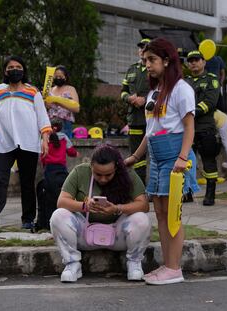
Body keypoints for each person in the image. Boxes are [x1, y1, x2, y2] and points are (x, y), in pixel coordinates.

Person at [125, 38, 199, 285]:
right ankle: (167, 264)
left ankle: (174, 268)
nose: (147, 65)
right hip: (155, 157)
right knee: (159, 213)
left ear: (167, 61)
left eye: (152, 60)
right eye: (145, 60)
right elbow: (151, 130)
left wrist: (182, 158)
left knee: (172, 215)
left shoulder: (181, 89)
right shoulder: (154, 92)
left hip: (173, 157)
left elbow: (189, 128)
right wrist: (136, 156)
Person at [50, 143, 150, 283]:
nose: (103, 179)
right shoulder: (80, 172)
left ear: (116, 168)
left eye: (108, 175)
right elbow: (62, 202)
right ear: (91, 166)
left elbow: (144, 205)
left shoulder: (128, 174)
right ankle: (72, 264)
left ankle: (134, 263)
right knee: (58, 215)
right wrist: (85, 206)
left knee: (141, 218)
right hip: (85, 232)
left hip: (118, 234)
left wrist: (117, 208)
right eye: (98, 174)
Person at [0, 55, 52, 234]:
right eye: (10, 67)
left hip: (28, 143)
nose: (14, 70)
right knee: (0, 181)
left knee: (27, 183)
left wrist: (44, 140)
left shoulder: (32, 91)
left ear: (24, 70)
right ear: (5, 71)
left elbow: (42, 117)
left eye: (18, 66)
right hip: (4, 143)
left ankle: (27, 220)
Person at [185, 50, 220, 206]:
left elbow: (210, 102)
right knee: (186, 162)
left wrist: (190, 112)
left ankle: (210, 194)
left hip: (205, 128)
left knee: (208, 161)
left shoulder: (211, 80)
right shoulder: (184, 82)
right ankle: (187, 193)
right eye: (190, 60)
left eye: (196, 60)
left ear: (204, 62)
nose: (193, 63)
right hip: (187, 129)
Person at [120, 38, 151, 185]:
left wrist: (145, 99)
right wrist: (129, 98)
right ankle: (141, 188)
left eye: (145, 47)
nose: (142, 50)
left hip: (151, 118)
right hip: (135, 119)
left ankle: (155, 189)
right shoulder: (131, 69)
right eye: (140, 47)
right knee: (136, 155)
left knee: (155, 154)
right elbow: (123, 92)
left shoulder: (154, 69)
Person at [45, 65, 79, 138]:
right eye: (56, 76)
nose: (58, 78)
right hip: (50, 122)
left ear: (65, 77)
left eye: (60, 76)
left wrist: (58, 102)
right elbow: (47, 107)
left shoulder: (71, 89)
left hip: (65, 122)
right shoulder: (50, 90)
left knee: (65, 145)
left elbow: (77, 108)